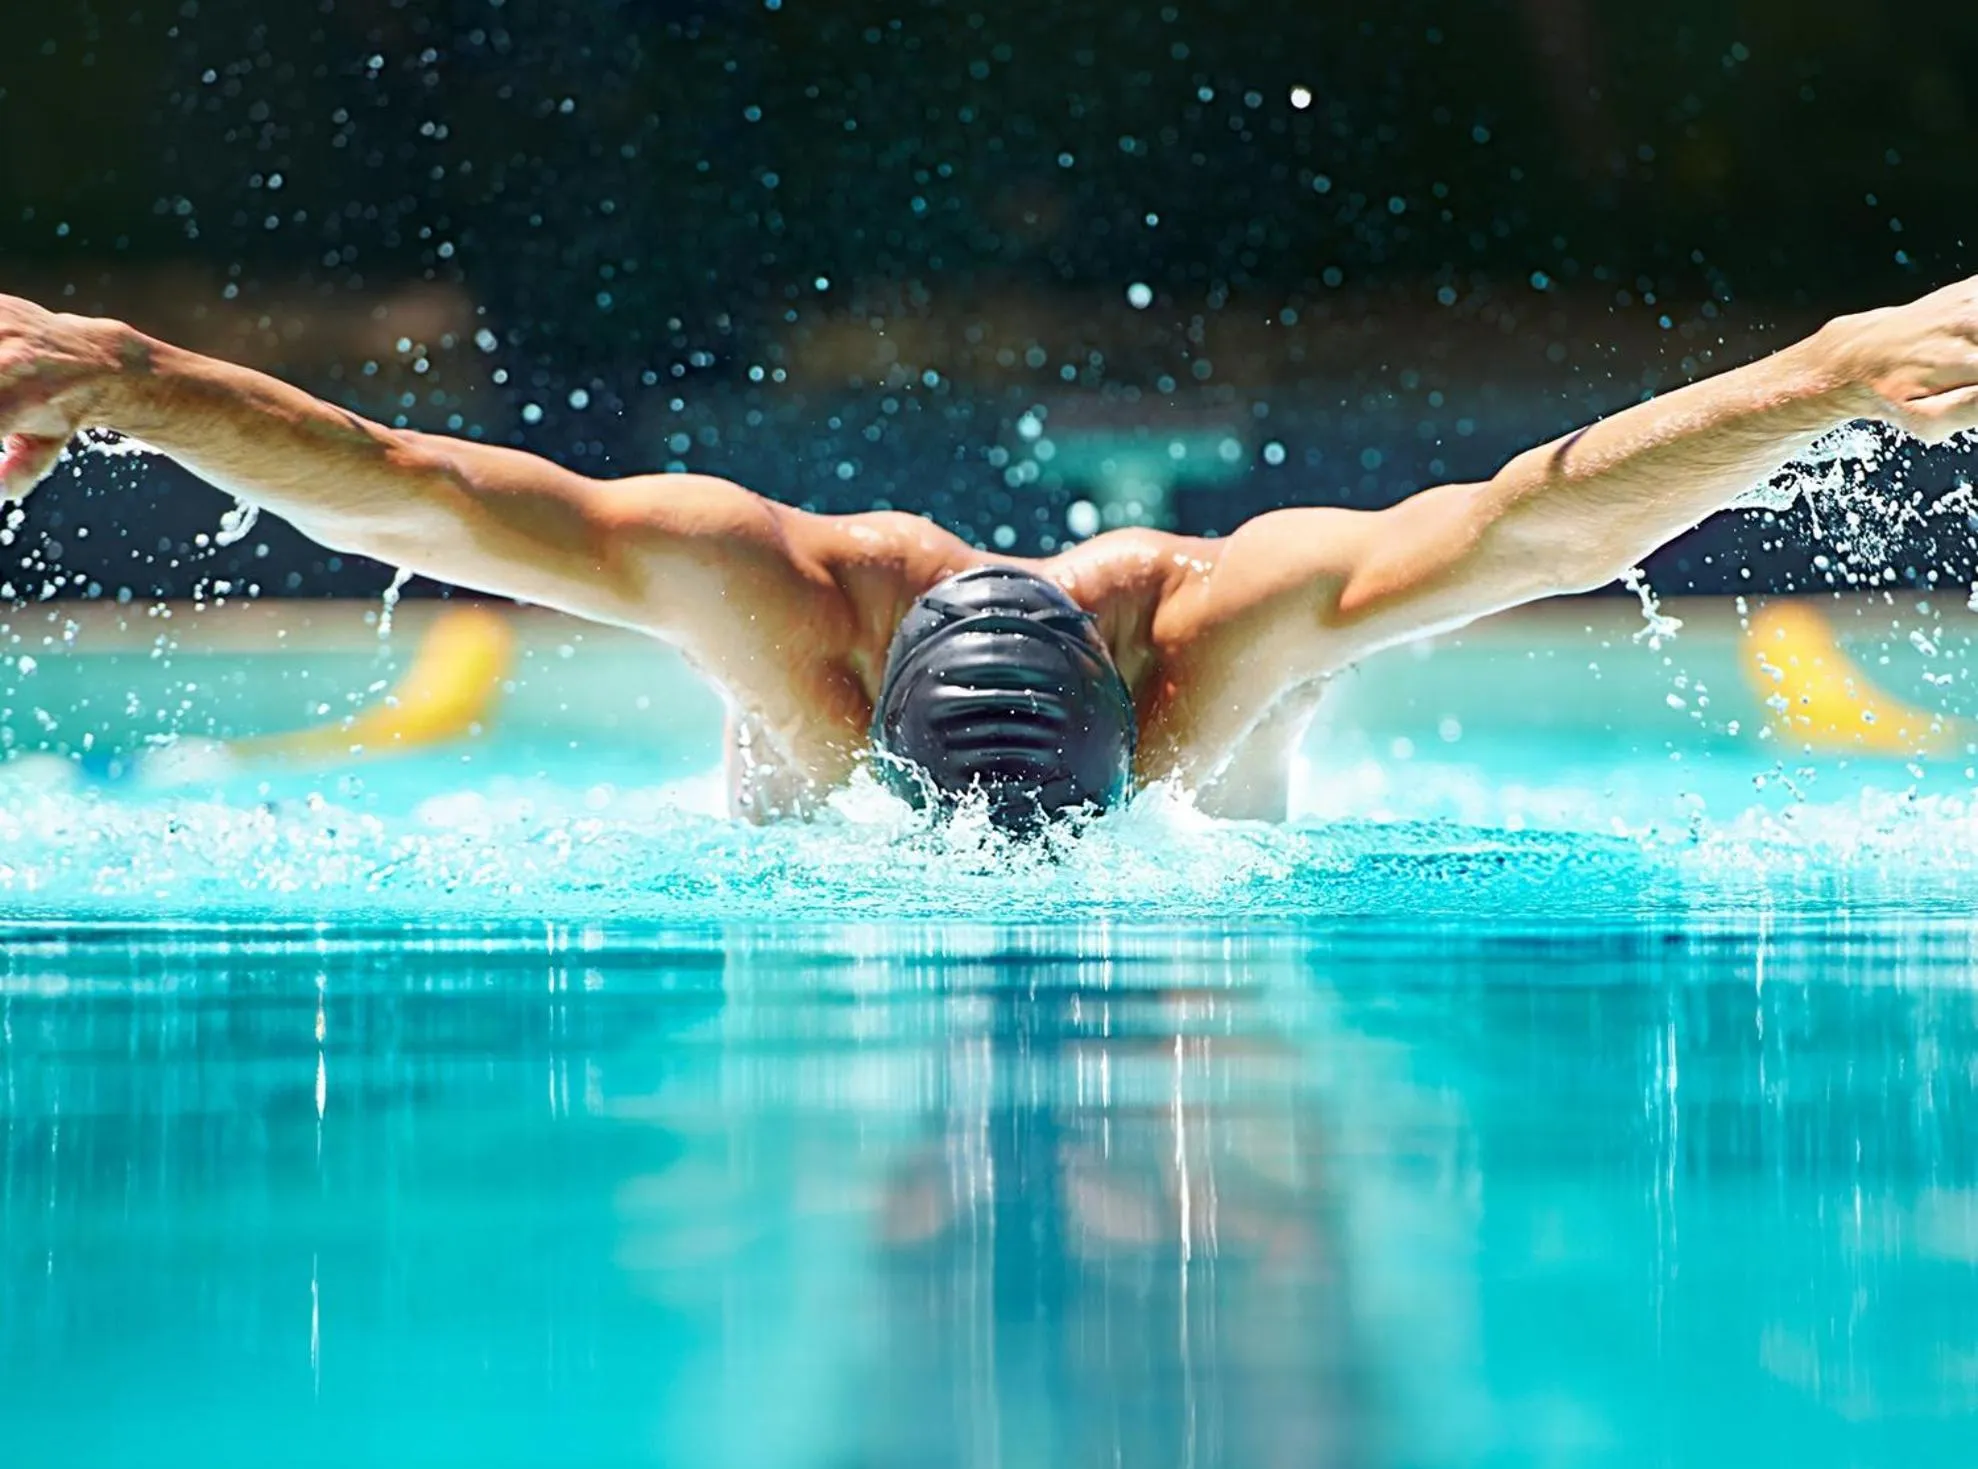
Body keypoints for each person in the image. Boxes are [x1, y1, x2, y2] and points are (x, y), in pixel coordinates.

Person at [2, 280, 1976, 825]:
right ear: (857, 708)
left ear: (1142, 716)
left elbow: (1539, 515)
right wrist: (117, 371)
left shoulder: (1233, 629)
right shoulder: (773, 596)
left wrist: (1831, 371)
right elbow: (406, 482)